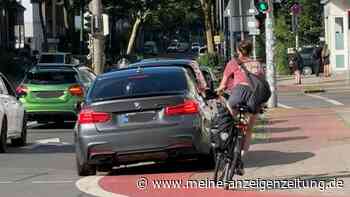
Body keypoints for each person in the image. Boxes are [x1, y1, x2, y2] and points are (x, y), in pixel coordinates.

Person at [216, 40, 265, 175]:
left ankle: (228, 141)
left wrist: (218, 92)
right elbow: (262, 84)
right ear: (250, 50)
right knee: (248, 131)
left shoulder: (233, 63)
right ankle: (240, 160)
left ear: (238, 51)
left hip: (239, 94)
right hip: (254, 98)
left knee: (228, 115)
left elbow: (223, 85)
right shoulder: (257, 64)